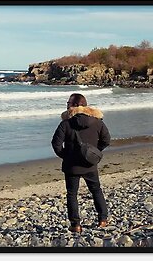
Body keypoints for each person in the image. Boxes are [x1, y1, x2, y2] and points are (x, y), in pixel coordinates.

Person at [51, 93, 111, 233]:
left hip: (72, 166)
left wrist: (66, 156)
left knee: (72, 194)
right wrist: (94, 153)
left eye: (69, 103)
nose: (67, 105)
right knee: (96, 190)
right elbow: (106, 140)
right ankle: (103, 219)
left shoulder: (65, 123)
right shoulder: (97, 121)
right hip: (90, 164)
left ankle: (76, 225)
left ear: (76, 106)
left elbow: (56, 144)